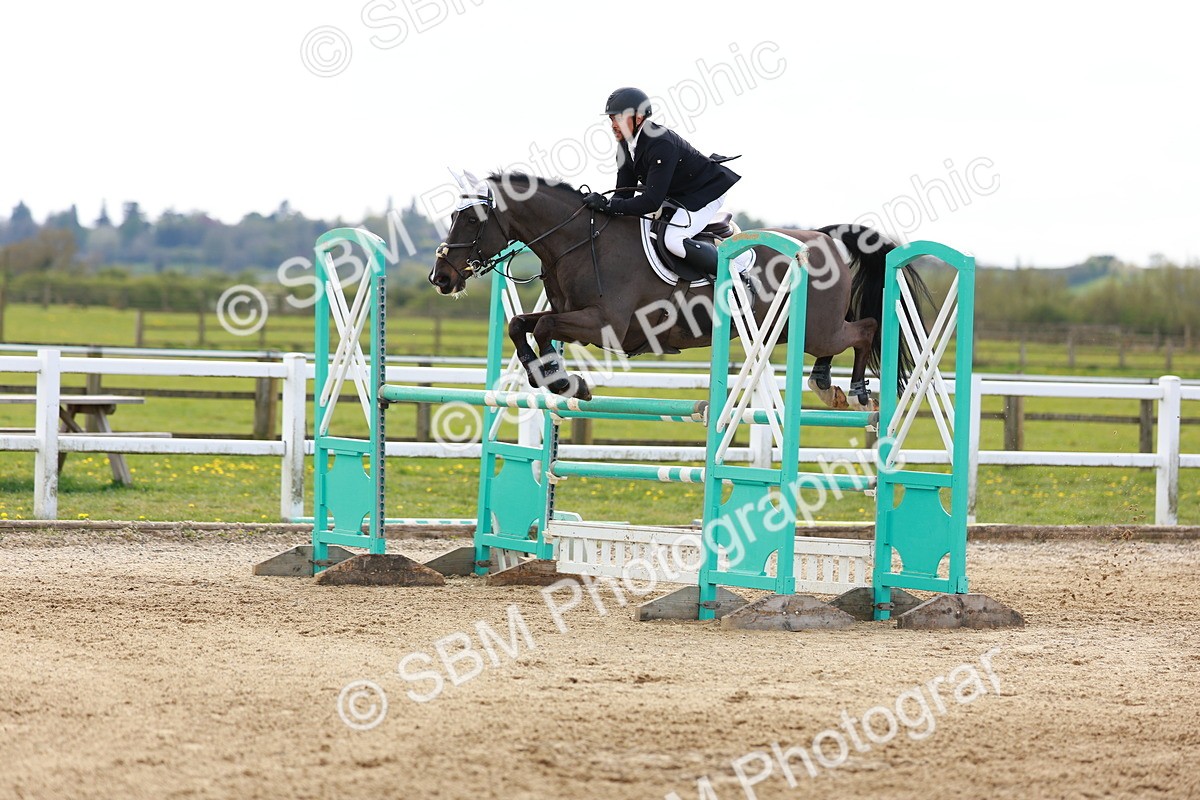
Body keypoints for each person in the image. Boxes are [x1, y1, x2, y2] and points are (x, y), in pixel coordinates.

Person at [582, 87, 746, 280]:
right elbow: (624, 194)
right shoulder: (625, 145)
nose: (613, 125)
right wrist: (603, 206)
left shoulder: (660, 143)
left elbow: (651, 201)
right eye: (611, 119)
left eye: (618, 119)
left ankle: (735, 273)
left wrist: (610, 205)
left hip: (703, 194)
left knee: (673, 241)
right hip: (676, 194)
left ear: (639, 118)